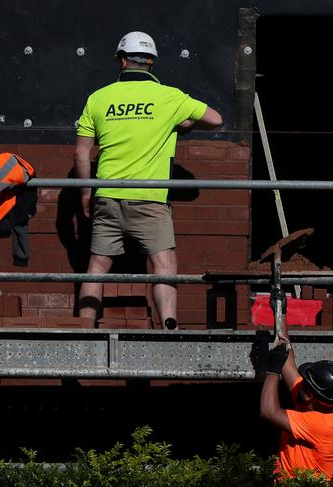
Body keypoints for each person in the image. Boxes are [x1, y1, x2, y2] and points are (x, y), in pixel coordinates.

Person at [74, 31, 223, 329]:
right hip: (150, 199)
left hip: (107, 195)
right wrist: (182, 125)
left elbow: (81, 152)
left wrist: (85, 194)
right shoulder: (169, 97)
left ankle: (84, 330)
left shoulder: (98, 98)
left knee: (97, 266)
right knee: (163, 264)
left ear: (122, 60)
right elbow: (216, 119)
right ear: (151, 62)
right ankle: (169, 326)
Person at [259, 320, 333, 481]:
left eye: (305, 383)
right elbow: (288, 362)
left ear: (310, 395)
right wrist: (281, 311)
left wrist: (273, 370)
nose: (301, 381)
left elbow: (268, 412)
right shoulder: (310, 404)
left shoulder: (320, 424)